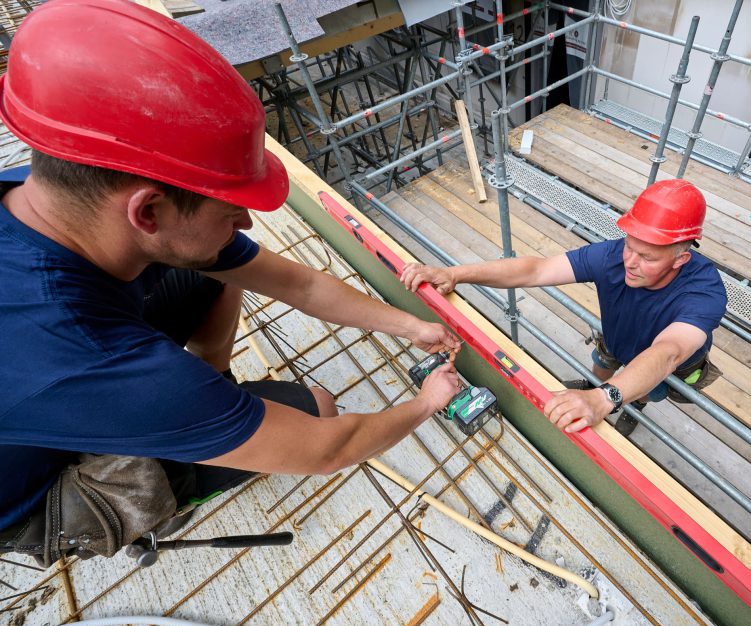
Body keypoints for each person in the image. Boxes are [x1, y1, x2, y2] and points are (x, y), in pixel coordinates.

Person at [0, 0, 461, 566]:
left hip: (55, 379)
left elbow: (301, 286)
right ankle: (186, 434)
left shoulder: (52, 191)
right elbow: (327, 450)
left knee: (215, 273)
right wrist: (426, 403)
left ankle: (210, 389)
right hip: (32, 491)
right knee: (317, 409)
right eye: (230, 210)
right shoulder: (88, 358)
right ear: (149, 212)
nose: (246, 223)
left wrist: (409, 325)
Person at [401, 178, 727, 437]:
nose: (630, 262)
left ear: (681, 259)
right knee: (602, 360)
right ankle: (594, 384)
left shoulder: (704, 292)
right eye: (630, 247)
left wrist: (605, 400)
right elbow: (536, 270)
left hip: (657, 365)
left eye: (648, 257)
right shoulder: (614, 255)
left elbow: (669, 351)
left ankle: (630, 405)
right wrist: (454, 273)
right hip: (617, 336)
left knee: (645, 389)